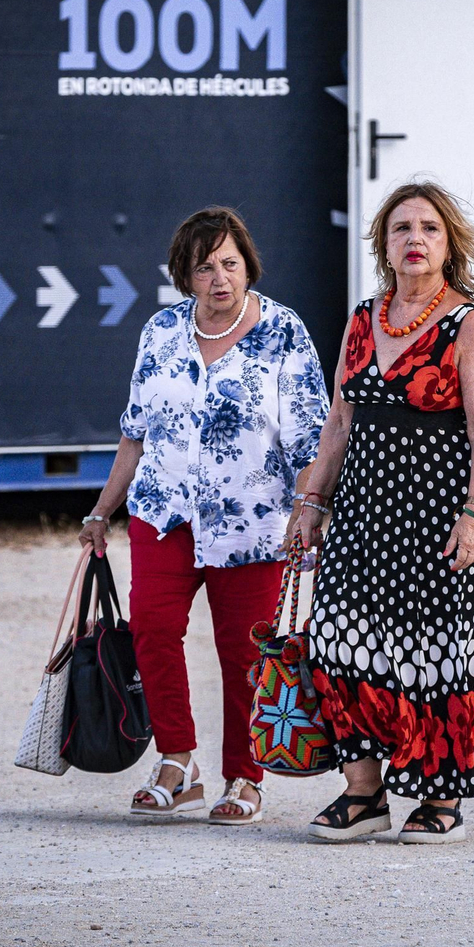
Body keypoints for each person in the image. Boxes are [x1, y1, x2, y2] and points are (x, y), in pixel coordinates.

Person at [79, 206, 329, 821]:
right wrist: (101, 511)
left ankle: (245, 779)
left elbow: (311, 439)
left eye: (229, 263)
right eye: (204, 268)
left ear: (247, 265)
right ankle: (177, 762)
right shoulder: (160, 331)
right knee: (153, 632)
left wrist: (309, 512)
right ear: (184, 277)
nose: (220, 278)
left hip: (253, 522)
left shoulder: (284, 332)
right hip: (162, 512)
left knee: (243, 652)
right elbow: (135, 433)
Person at [288, 180, 474, 845]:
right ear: (384, 245)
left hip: (441, 519)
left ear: (449, 245)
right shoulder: (362, 319)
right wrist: (310, 503)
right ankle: (364, 792)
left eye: (430, 229)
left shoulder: (467, 324)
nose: (416, 239)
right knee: (335, 644)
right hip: (360, 518)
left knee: (439, 657)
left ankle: (440, 799)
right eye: (402, 228)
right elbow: (338, 425)